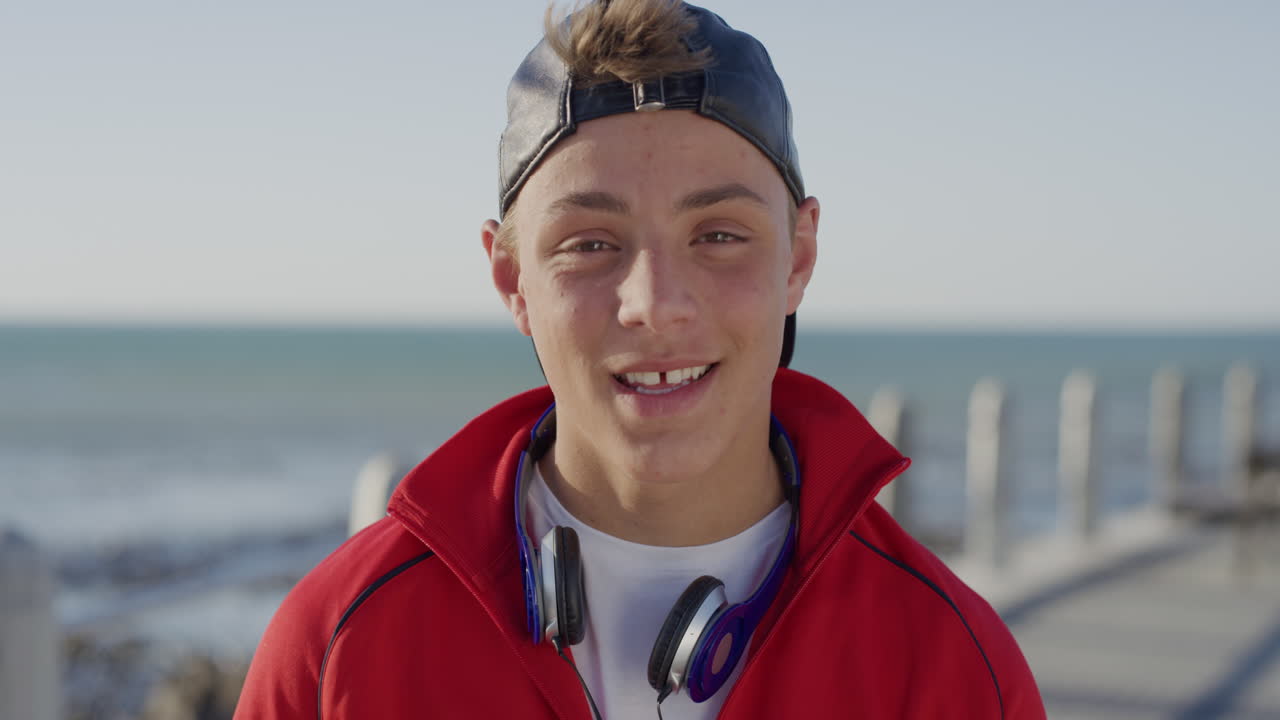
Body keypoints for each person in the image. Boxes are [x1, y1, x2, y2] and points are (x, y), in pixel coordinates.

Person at [234, 1, 1045, 718]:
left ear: (797, 258)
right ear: (512, 279)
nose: (655, 302)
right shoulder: (336, 651)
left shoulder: (950, 664)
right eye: (590, 244)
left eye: (719, 236)